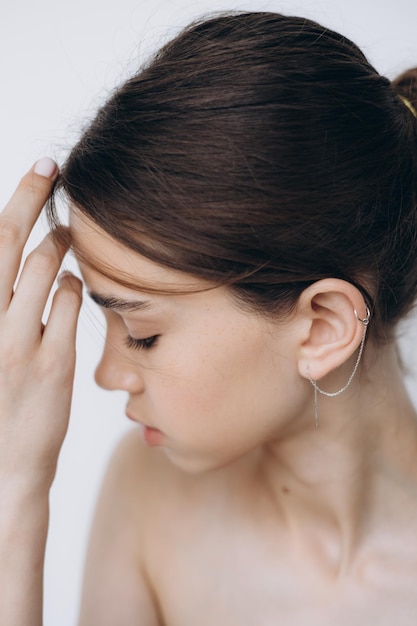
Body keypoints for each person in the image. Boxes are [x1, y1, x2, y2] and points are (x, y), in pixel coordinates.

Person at [2, 10, 417, 625]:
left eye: (143, 335)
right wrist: (15, 492)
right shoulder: (147, 493)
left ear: (323, 325)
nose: (108, 376)